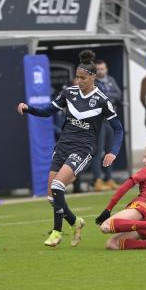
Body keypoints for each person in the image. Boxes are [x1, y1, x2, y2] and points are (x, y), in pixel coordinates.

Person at [17, 50, 124, 247]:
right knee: (52, 197)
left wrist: (113, 151)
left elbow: (118, 129)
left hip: (83, 149)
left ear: (92, 77)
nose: (79, 81)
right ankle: (76, 221)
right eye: (77, 77)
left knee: (58, 186)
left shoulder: (102, 100)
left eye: (83, 78)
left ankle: (57, 232)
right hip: (63, 146)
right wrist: (29, 108)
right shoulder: (69, 93)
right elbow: (47, 111)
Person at [92, 59, 122, 191]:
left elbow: (119, 95)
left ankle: (109, 178)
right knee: (98, 151)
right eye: (98, 69)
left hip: (111, 119)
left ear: (106, 69)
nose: (101, 71)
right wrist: (109, 97)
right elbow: (97, 98)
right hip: (98, 120)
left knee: (110, 151)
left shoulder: (111, 80)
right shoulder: (92, 82)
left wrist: (106, 96)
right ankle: (97, 180)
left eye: (102, 68)